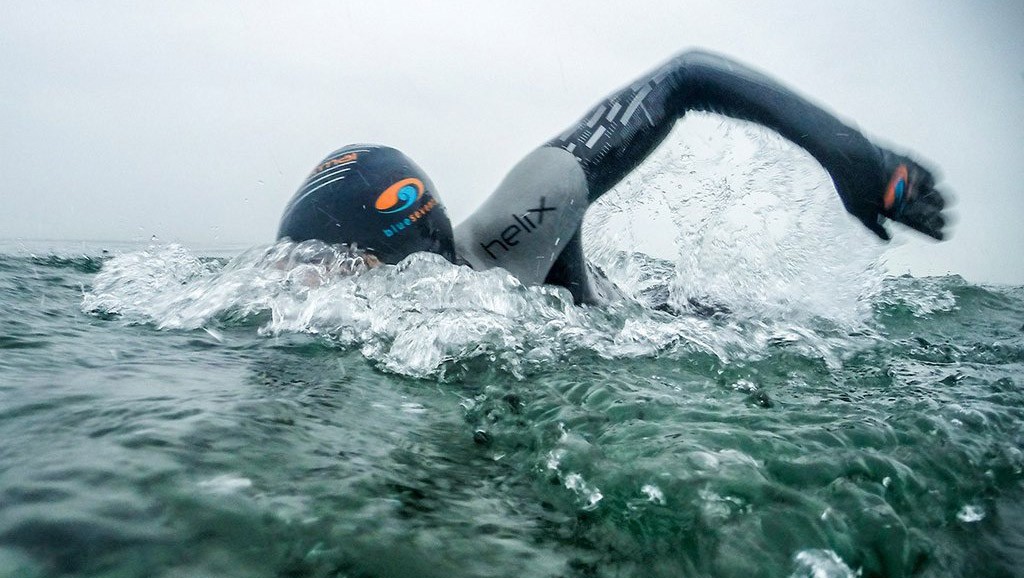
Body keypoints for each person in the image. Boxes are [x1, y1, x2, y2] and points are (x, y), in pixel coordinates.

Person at [277, 50, 948, 305]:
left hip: (680, 338)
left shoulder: (508, 232)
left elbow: (687, 77)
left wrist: (854, 157)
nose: (298, 289)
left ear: (377, 253)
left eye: (316, 267)